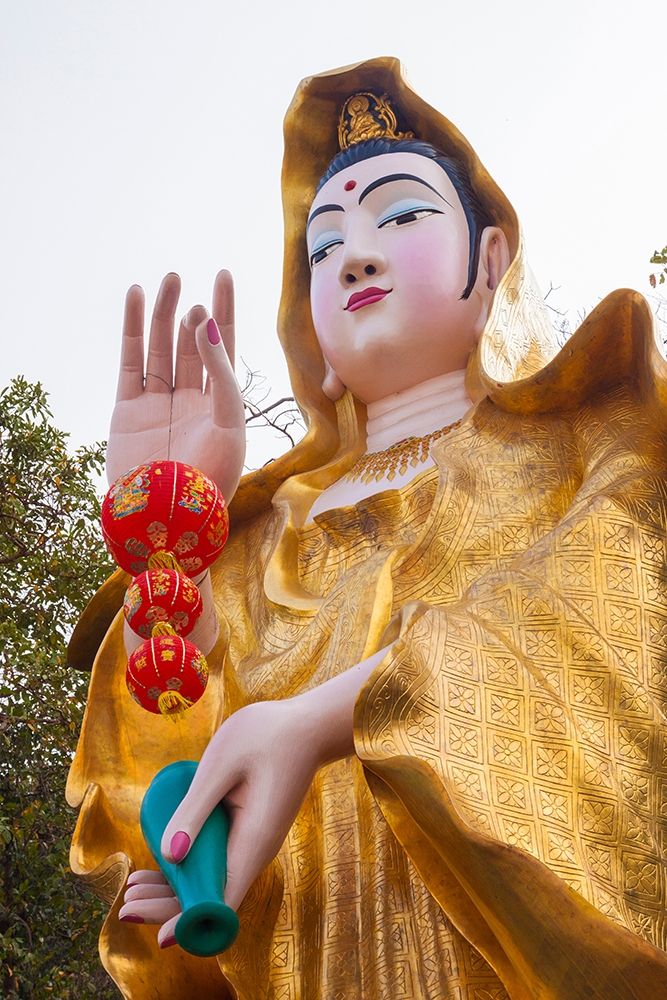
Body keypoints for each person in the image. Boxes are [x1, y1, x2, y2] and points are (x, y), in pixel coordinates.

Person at [67, 58, 667, 998]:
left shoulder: (593, 439)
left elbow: (591, 627)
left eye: (399, 214)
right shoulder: (263, 538)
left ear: (494, 262)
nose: (352, 253)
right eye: (324, 245)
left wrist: (321, 719)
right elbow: (171, 771)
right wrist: (171, 535)